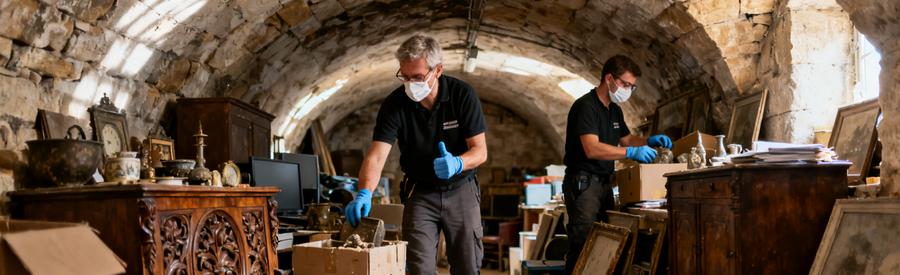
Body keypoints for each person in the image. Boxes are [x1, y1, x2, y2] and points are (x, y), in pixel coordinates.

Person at [343, 34, 488, 275]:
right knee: (418, 267)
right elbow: (377, 156)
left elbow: (480, 151)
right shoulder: (395, 104)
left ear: (438, 70)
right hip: (419, 191)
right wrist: (364, 192)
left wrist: (458, 163)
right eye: (405, 77)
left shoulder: (462, 95)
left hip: (461, 188)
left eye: (418, 77)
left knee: (467, 265)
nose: (411, 84)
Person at [562, 55, 672, 273]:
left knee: (604, 243)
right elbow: (591, 148)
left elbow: (627, 140)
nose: (628, 90)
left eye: (632, 87)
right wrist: (630, 152)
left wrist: (648, 141)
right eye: (625, 84)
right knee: (583, 244)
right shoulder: (585, 106)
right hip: (583, 184)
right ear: (609, 78)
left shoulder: (614, 110)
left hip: (603, 184)